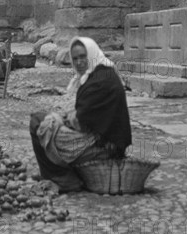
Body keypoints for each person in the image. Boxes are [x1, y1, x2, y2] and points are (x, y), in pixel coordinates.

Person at [29, 36, 132, 193]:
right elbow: (87, 113)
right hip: (101, 138)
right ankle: (56, 173)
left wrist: (60, 119)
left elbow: (80, 121)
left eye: (83, 57)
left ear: (91, 54)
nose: (78, 62)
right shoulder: (101, 72)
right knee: (42, 118)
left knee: (38, 124)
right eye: (75, 58)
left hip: (102, 147)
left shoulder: (100, 81)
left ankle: (61, 178)